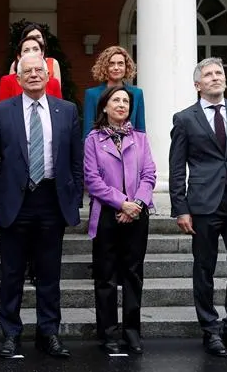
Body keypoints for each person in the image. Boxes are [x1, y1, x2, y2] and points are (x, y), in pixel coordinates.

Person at [0, 53, 83, 360]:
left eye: (40, 70)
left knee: (50, 273)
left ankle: (48, 333)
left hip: (52, 200)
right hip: (15, 201)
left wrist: (75, 197)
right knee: (12, 273)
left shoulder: (67, 111)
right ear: (19, 77)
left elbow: (76, 160)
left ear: (49, 76)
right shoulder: (1, 111)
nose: (35, 75)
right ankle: (11, 334)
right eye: (29, 71)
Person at [169, 57, 227, 357]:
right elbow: (176, 168)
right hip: (203, 204)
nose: (215, 78)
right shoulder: (184, 118)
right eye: (208, 74)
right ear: (198, 84)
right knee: (204, 268)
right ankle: (210, 330)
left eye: (219, 73)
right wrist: (180, 208)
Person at [84, 85, 156, 354]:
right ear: (105, 106)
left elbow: (149, 174)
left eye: (126, 101)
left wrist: (136, 204)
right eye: (116, 100)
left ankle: (132, 332)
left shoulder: (140, 138)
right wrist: (121, 202)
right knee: (105, 277)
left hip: (137, 214)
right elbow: (92, 180)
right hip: (106, 214)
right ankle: (108, 334)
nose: (122, 104)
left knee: (133, 275)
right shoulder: (93, 139)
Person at [83, 46, 145, 138]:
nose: (116, 68)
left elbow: (141, 130)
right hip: (100, 149)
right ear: (105, 67)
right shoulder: (92, 94)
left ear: (126, 66)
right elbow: (87, 132)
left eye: (120, 64)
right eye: (111, 64)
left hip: (131, 149)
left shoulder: (137, 94)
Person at [6, 22, 63, 98]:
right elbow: (11, 88)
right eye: (31, 37)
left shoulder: (53, 63)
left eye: (38, 36)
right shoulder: (15, 65)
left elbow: (57, 91)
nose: (35, 39)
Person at [0, 35, 61, 101]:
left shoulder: (53, 83)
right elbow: (3, 109)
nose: (31, 52)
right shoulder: (7, 81)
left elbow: (58, 108)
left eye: (35, 49)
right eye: (26, 50)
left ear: (42, 54)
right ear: (19, 56)